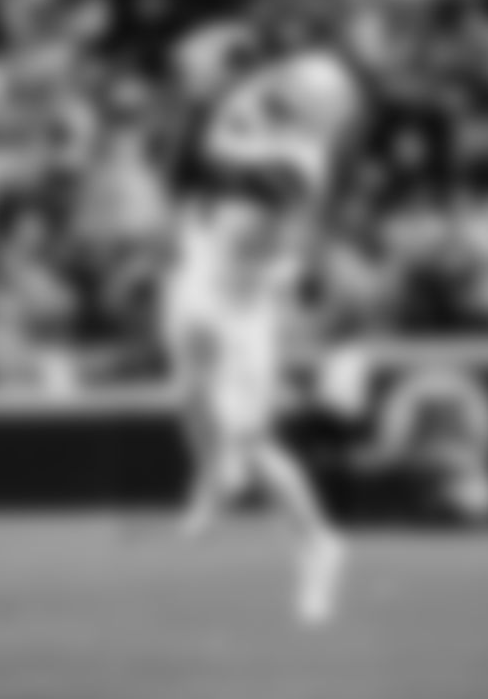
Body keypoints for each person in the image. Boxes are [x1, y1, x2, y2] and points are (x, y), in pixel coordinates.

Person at [160, 34, 364, 626]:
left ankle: (319, 543)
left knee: (251, 441)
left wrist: (201, 99)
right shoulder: (256, 106)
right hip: (204, 264)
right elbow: (179, 175)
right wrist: (207, 90)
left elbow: (212, 168)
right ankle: (211, 475)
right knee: (187, 392)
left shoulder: (301, 164)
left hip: (248, 301)